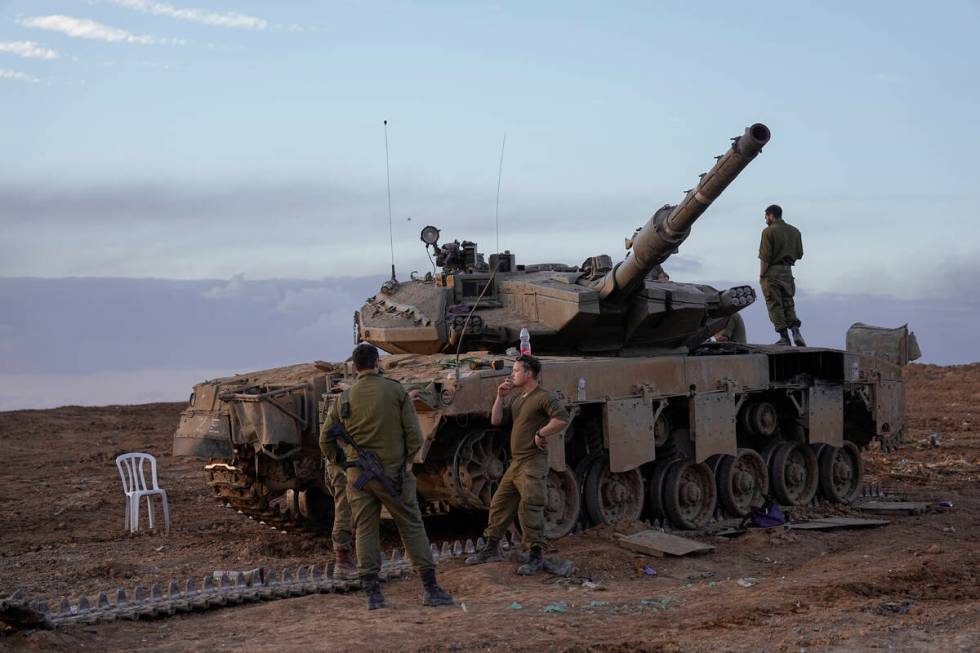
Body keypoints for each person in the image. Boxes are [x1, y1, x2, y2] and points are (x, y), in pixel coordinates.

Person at [319, 343, 453, 610]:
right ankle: (430, 588)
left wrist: (343, 463)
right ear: (377, 362)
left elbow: (325, 439)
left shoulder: (343, 399)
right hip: (394, 476)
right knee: (411, 526)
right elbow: (414, 436)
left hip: (359, 477)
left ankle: (373, 595)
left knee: (366, 530)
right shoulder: (395, 390)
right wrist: (406, 463)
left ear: (355, 367)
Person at [465, 354, 570, 575]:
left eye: (516, 371)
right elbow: (495, 420)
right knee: (500, 504)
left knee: (530, 507)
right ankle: (492, 547)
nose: (512, 374)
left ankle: (536, 556)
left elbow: (561, 418)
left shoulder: (543, 397)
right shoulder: (518, 399)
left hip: (533, 461)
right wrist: (499, 397)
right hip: (517, 462)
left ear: (529, 373)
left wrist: (541, 433)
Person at [758, 204, 806, 346]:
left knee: (774, 304)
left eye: (766, 216)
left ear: (771, 215)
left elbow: (765, 257)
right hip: (788, 271)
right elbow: (799, 254)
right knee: (788, 303)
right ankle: (796, 330)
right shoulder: (795, 231)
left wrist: (762, 275)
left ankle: (784, 337)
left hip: (772, 272)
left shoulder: (768, 232)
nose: (765, 219)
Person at [323, 460, 357, 580]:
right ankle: (342, 561)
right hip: (342, 462)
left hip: (348, 461)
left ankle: (352, 555)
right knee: (344, 508)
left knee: (351, 507)